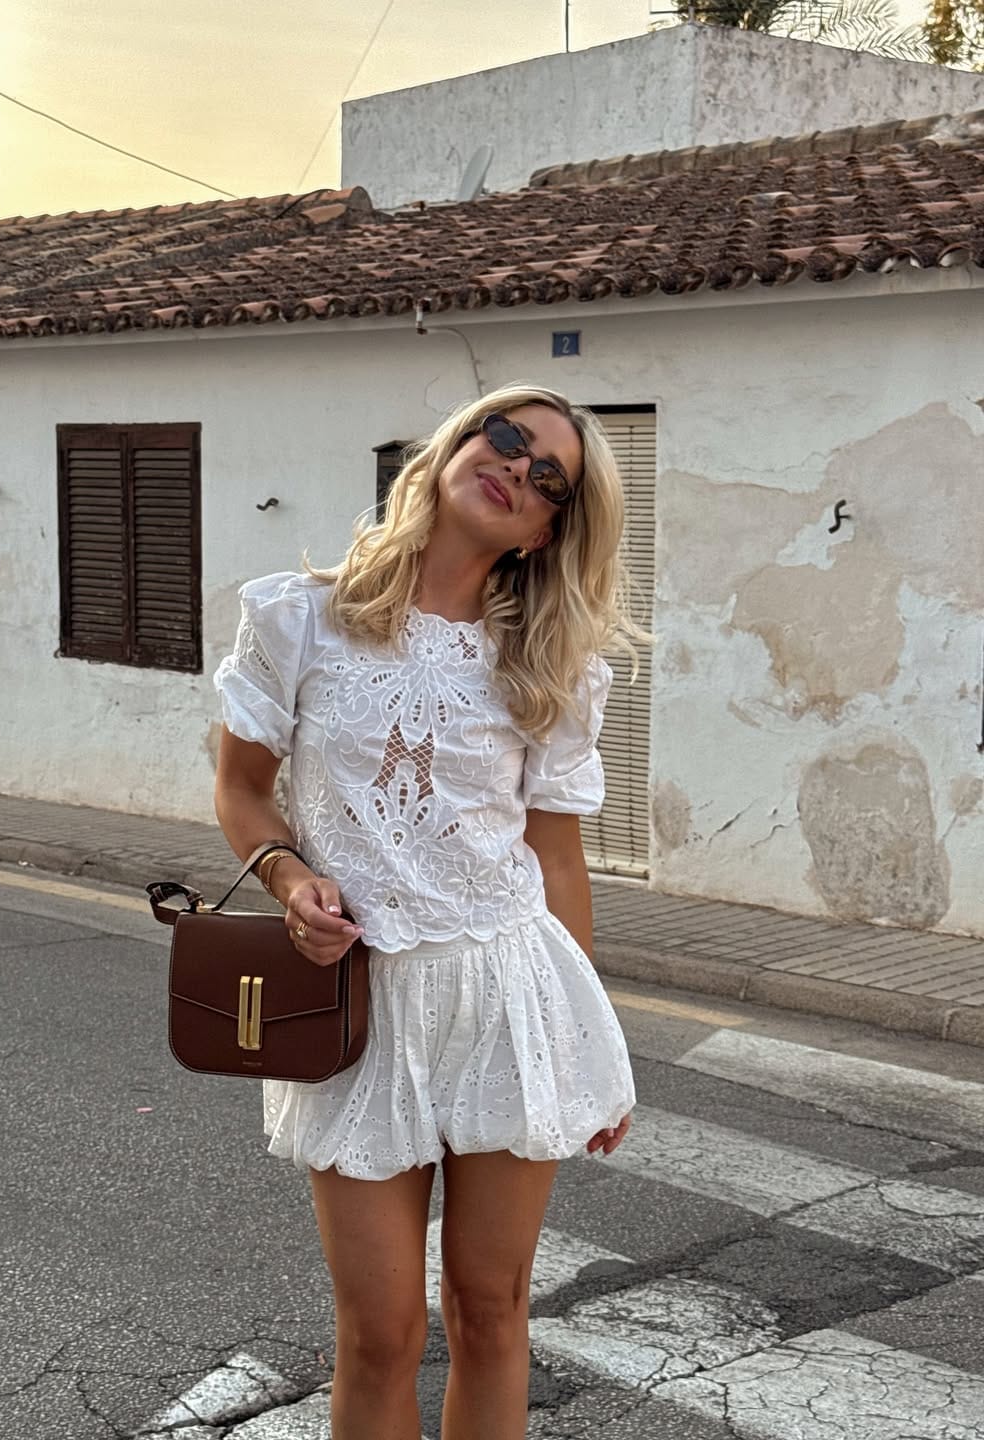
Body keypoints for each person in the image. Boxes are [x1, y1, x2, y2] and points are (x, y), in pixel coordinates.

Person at [213, 383, 645, 1440]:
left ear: (548, 530)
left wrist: (584, 1034)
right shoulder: (293, 617)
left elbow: (554, 852)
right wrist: (285, 877)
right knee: (379, 1332)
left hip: (506, 990)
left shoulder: (549, 662)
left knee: (493, 1313)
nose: (518, 469)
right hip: (355, 1006)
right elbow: (239, 789)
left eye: (550, 480)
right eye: (508, 438)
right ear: (458, 443)